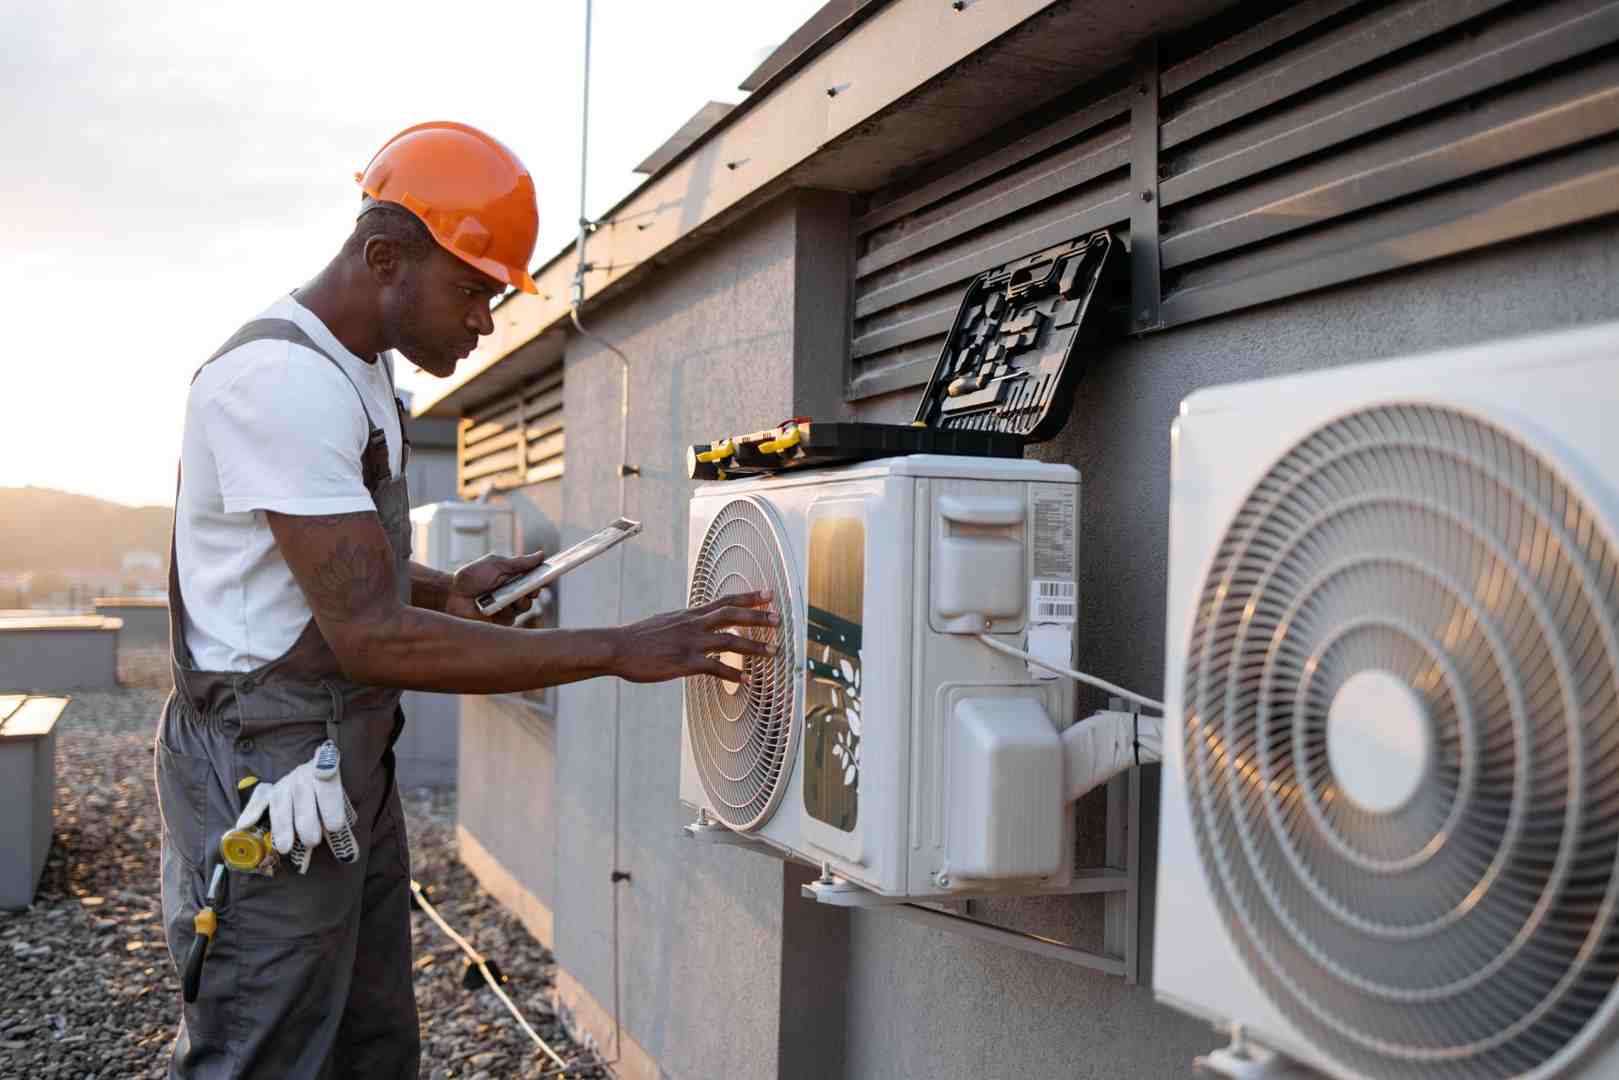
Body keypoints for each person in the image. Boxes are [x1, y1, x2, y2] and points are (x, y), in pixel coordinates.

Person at [154, 121, 775, 1078]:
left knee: (368, 1041)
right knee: (262, 1047)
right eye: (473, 290)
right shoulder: (279, 381)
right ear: (384, 256)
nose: (485, 320)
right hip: (264, 765)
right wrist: (616, 648)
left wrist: (446, 587)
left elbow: (330, 567)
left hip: (340, 752)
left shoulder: (360, 372)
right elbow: (368, 636)